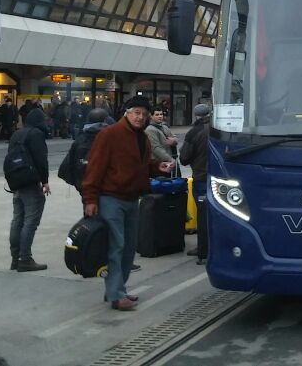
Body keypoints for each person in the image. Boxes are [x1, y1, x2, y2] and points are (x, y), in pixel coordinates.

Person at [81, 96, 175, 311]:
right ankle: (116, 295)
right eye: (136, 113)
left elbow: (140, 166)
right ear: (127, 113)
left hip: (132, 198)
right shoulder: (109, 135)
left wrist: (157, 167)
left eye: (144, 114)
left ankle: (117, 289)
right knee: (116, 246)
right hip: (111, 198)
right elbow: (94, 169)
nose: (140, 117)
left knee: (129, 248)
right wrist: (91, 199)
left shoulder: (142, 137)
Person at [8, 108, 51, 272]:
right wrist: (45, 181)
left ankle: (15, 259)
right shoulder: (36, 134)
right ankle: (25, 259)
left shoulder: (17, 134)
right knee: (30, 222)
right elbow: (41, 159)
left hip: (16, 182)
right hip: (31, 183)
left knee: (17, 220)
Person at [180, 104, 211, 263]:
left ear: (195, 115)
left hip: (200, 176)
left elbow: (184, 158)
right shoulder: (218, 129)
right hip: (220, 178)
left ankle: (203, 251)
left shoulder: (194, 132)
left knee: (203, 215)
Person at [58, 108, 110, 194]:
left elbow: (68, 165)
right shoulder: (111, 137)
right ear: (105, 120)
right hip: (105, 188)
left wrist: (78, 184)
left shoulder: (80, 139)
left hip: (85, 187)